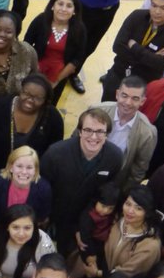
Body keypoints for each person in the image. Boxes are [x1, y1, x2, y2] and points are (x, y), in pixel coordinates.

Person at [40, 108, 124, 256]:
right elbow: (41, 188)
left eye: (100, 131)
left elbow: (105, 194)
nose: (93, 136)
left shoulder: (115, 157)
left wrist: (83, 227)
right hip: (52, 217)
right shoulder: (55, 154)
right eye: (88, 130)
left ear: (107, 135)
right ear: (79, 131)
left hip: (84, 220)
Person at [99, 0, 164, 101]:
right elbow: (117, 47)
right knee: (106, 107)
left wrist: (134, 47)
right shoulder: (136, 16)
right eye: (154, 5)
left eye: (163, 8)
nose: (157, 11)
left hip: (145, 83)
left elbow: (163, 65)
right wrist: (152, 56)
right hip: (119, 73)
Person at [0, 73, 64, 172]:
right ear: (20, 91)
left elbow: (54, 152)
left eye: (37, 98)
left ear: (45, 100)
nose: (30, 100)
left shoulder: (53, 118)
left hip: (30, 174)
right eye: (26, 94)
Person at [75, 186, 162, 278]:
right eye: (128, 204)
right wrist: (79, 233)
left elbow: (128, 273)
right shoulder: (118, 219)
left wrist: (97, 273)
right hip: (100, 267)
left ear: (147, 213)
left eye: (138, 208)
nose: (130, 211)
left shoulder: (150, 246)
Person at [23, 0, 86, 105]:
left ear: (74, 11)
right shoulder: (40, 20)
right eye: (60, 4)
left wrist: (56, 81)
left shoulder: (79, 29)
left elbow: (77, 58)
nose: (63, 9)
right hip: (34, 71)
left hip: (59, 75)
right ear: (53, 6)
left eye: (69, 6)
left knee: (49, 105)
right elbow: (26, 45)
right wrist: (33, 72)